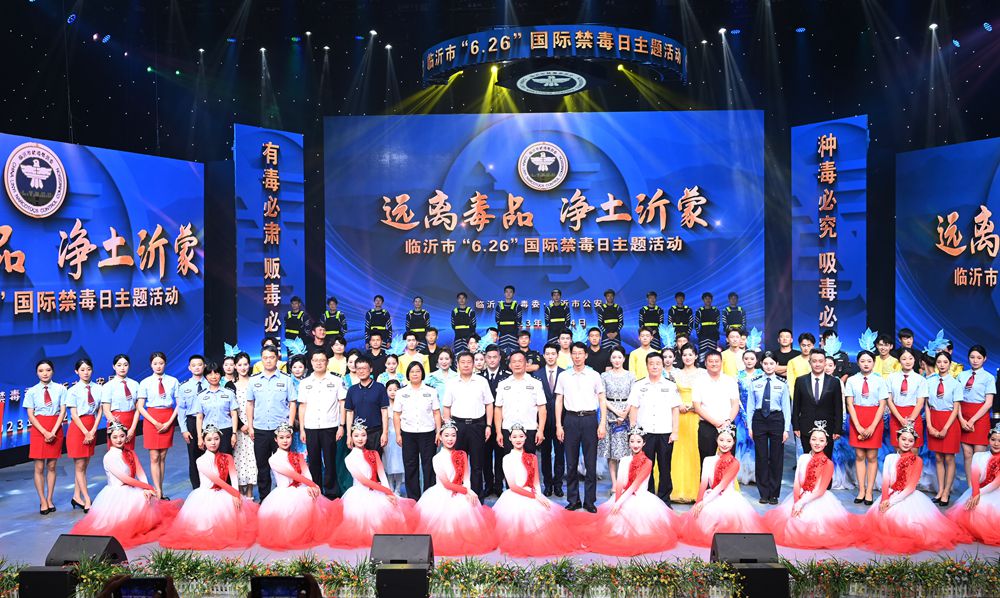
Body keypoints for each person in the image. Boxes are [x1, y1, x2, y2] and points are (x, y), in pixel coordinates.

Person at [862, 424, 972, 554]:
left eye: (910, 440)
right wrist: (884, 499)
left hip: (906, 496)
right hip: (889, 494)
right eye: (903, 439)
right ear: (897, 439)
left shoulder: (917, 460)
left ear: (914, 443)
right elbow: (885, 481)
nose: (906, 443)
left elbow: (910, 487)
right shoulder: (889, 458)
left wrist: (891, 503)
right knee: (879, 521)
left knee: (905, 525)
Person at [70, 422, 181, 547]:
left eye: (122, 436)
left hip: (132, 488)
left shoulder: (130, 452)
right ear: (109, 438)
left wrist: (146, 488)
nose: (119, 440)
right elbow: (125, 479)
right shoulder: (109, 457)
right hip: (117, 492)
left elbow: (140, 472)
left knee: (147, 499)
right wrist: (148, 487)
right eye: (115, 437)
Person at [581, 426, 680, 556]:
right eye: (632, 441)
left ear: (644, 443)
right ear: (628, 442)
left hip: (640, 497)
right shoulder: (624, 460)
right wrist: (617, 501)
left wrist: (619, 502)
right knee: (612, 523)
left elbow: (635, 485)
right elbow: (620, 483)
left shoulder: (648, 462)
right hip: (623, 496)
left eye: (638, 441)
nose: (635, 445)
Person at [159, 424, 259, 550]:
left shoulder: (228, 457)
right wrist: (234, 493)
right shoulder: (200, 461)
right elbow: (216, 480)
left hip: (225, 492)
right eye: (209, 440)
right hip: (206, 495)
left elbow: (234, 478)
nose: (213, 443)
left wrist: (236, 494)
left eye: (216, 439)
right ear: (204, 441)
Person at [764, 423, 861, 549]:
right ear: (809, 441)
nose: (817, 443)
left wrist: (801, 503)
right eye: (814, 439)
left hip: (816, 498)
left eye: (821, 440)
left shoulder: (828, 464)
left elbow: (820, 490)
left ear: (826, 443)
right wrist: (796, 502)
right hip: (799, 496)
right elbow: (797, 483)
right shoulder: (803, 458)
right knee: (789, 523)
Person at [491, 424, 582, 557]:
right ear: (509, 438)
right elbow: (513, 486)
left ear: (526, 437)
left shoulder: (532, 457)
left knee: (546, 514)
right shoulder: (507, 458)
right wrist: (533, 496)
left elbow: (536, 482)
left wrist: (538, 495)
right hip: (515, 495)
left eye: (521, 436)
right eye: (514, 437)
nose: (518, 439)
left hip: (533, 492)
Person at [412, 421, 497, 555]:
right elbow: (446, 484)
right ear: (440, 437)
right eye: (446, 435)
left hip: (461, 491)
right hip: (442, 493)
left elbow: (466, 477)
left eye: (453, 435)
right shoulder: (437, 458)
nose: (450, 439)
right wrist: (466, 491)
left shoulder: (462, 454)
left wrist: (468, 491)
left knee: (468, 512)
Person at [329, 419, 417, 547]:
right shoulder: (349, 459)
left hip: (378, 489)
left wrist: (389, 493)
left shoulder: (374, 453)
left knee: (392, 509)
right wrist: (386, 491)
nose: (360, 439)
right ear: (351, 438)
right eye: (356, 436)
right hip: (359, 493)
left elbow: (382, 474)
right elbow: (364, 481)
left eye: (363, 435)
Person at [681, 423, 766, 547]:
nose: (724, 444)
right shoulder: (708, 460)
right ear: (716, 440)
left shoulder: (734, 463)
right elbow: (703, 482)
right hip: (710, 496)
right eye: (721, 440)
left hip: (727, 498)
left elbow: (721, 486)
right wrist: (698, 501)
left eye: (728, 441)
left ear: (733, 442)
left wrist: (704, 502)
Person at [257, 423, 339, 549]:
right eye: (281, 438)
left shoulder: (298, 456)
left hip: (301, 488)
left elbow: (307, 473)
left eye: (288, 437)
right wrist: (312, 484)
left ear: (292, 438)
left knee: (311, 499)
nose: (285, 440)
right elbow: (291, 474)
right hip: (283, 492)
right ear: (276, 439)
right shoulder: (273, 459)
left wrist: (311, 486)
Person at [555, 342, 608, 513]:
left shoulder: (594, 375)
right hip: (570, 420)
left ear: (586, 355)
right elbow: (559, 401)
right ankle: (573, 500)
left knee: (590, 463)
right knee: (571, 463)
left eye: (580, 353)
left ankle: (590, 501)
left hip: (590, 419)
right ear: (570, 355)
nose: (577, 356)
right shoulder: (564, 376)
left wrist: (602, 423)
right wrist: (558, 425)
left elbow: (602, 399)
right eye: (574, 353)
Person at [626, 352, 680, 505]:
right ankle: (646, 498)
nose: (655, 366)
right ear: (647, 365)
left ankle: (664, 500)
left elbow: (675, 409)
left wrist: (675, 431)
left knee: (665, 467)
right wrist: (634, 431)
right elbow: (633, 408)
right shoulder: (639, 385)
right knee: (645, 467)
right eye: (651, 363)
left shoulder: (670, 385)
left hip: (665, 432)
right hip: (645, 434)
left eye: (658, 363)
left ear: (662, 365)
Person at [246, 345, 298, 501]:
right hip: (260, 429)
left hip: (281, 431)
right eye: (265, 358)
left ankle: (284, 498)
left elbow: (293, 403)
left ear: (277, 358)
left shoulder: (286, 379)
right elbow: (250, 404)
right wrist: (250, 426)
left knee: (283, 466)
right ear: (261, 359)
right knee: (262, 467)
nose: (268, 361)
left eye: (272, 357)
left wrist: (289, 426)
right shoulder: (254, 380)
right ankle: (265, 499)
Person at [442, 352, 494, 499]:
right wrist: (448, 428)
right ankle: (458, 496)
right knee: (458, 464)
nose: (466, 365)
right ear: (457, 364)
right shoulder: (452, 382)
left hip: (477, 426)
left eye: (469, 362)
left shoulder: (482, 381)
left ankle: (477, 498)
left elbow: (489, 404)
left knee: (477, 465)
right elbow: (446, 406)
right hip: (458, 427)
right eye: (462, 362)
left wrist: (488, 425)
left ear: (474, 364)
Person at [297, 351, 347, 499]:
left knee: (330, 461)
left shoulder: (336, 380)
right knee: (313, 461)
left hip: (330, 427)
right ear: (311, 362)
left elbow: (342, 403)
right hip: (311, 427)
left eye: (322, 360)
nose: (319, 363)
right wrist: (302, 429)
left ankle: (331, 493)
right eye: (316, 360)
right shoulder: (305, 383)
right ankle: (316, 491)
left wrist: (341, 426)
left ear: (327, 362)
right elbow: (302, 406)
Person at [747, 351, 791, 505]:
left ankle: (774, 494)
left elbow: (786, 407)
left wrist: (786, 429)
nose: (769, 366)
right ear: (761, 364)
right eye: (765, 363)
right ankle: (764, 493)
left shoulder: (782, 383)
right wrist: (750, 426)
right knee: (761, 457)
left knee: (776, 457)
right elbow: (750, 406)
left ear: (776, 365)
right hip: (759, 419)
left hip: (776, 419)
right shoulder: (755, 382)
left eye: (772, 363)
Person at [845, 350, 888, 505]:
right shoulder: (851, 380)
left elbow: (882, 405)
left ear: (874, 363)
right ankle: (861, 490)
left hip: (874, 418)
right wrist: (857, 425)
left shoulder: (880, 381)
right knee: (859, 455)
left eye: (869, 361)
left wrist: (872, 426)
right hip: (857, 417)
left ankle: (869, 491)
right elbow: (849, 403)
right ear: (858, 363)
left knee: (871, 456)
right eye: (862, 361)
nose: (866, 364)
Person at [393, 362, 441, 500]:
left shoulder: (431, 391)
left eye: (418, 371)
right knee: (410, 466)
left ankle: (429, 498)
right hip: (408, 433)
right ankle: (413, 498)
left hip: (428, 433)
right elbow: (396, 414)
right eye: (412, 371)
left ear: (422, 373)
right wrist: (398, 434)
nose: (415, 374)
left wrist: (438, 432)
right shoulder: (401, 393)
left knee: (428, 466)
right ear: (408, 374)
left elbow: (436, 413)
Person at [136, 352, 180, 499]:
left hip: (168, 416)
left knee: (162, 456)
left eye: (161, 363)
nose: (158, 366)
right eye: (155, 363)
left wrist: (170, 422)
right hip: (151, 419)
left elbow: (179, 404)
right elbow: (140, 406)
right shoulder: (145, 382)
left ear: (165, 364)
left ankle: (160, 489)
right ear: (151, 365)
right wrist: (154, 422)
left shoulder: (173, 381)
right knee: (154, 456)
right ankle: (158, 491)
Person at [25, 359, 67, 515]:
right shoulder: (31, 391)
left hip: (55, 427)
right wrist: (44, 432)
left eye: (48, 370)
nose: (45, 373)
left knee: (52, 466)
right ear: (37, 373)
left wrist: (53, 431)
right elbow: (30, 414)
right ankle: (42, 500)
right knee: (39, 467)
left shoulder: (61, 389)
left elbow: (62, 411)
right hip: (39, 429)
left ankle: (49, 499)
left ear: (53, 371)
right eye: (41, 370)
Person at [947, 423, 1000, 545]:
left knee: (985, 507)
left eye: (999, 441)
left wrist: (979, 494)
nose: (996, 443)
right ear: (988, 440)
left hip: (995, 491)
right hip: (978, 489)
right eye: (993, 440)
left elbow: (996, 483)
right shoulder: (979, 455)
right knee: (970, 506)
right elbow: (974, 476)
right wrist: (975, 493)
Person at [692, 350, 741, 466]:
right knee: (706, 461)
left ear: (721, 362)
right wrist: (715, 423)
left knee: (728, 463)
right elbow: (697, 407)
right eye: (711, 361)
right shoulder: (699, 381)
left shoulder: (730, 381)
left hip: (727, 426)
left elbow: (735, 404)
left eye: (716, 361)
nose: (714, 364)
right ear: (705, 363)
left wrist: (728, 421)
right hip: (707, 426)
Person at [926, 351, 963, 505]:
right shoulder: (929, 382)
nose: (942, 365)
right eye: (939, 362)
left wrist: (946, 428)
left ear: (950, 364)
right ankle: (940, 490)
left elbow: (956, 408)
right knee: (938, 458)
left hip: (950, 421)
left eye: (945, 362)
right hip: (934, 418)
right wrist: (929, 425)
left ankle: (947, 491)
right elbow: (927, 405)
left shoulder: (955, 384)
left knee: (949, 458)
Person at [67, 358, 103, 513]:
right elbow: (74, 415)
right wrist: (86, 432)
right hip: (78, 428)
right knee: (79, 465)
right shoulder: (73, 390)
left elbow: (100, 411)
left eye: (88, 369)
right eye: (82, 370)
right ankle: (87, 499)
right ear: (76, 372)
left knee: (84, 465)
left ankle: (76, 496)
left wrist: (93, 430)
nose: (86, 372)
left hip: (92, 425)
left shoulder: (98, 388)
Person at [958, 345, 996, 489]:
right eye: (972, 357)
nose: (975, 360)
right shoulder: (962, 375)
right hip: (963, 414)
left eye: (979, 358)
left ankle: (979, 488)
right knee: (967, 454)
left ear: (984, 359)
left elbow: (989, 403)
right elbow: (957, 400)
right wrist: (961, 419)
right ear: (968, 358)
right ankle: (970, 488)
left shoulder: (988, 377)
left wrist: (973, 420)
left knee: (978, 456)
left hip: (980, 417)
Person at [792, 351, 843, 458]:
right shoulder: (801, 381)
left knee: (825, 460)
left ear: (825, 363)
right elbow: (796, 406)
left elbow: (838, 407)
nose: (817, 364)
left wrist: (837, 428)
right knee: (808, 459)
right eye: (814, 361)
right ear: (809, 362)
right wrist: (796, 425)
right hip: (806, 427)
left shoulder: (834, 382)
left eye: (820, 361)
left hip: (827, 427)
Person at [495, 351, 547, 454]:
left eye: (520, 361)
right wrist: (498, 432)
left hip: (529, 428)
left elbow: (542, 409)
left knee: (529, 461)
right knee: (509, 461)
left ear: (526, 363)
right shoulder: (503, 384)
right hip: (508, 429)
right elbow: (498, 409)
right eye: (514, 362)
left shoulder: (536, 383)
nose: (517, 364)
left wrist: (540, 431)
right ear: (510, 365)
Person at [670, 344, 704, 503]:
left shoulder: (703, 373)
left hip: (698, 415)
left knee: (697, 449)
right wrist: (679, 404)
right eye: (684, 355)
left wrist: (695, 406)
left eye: (691, 354)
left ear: (696, 356)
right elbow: (672, 393)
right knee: (679, 451)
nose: (688, 357)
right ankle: (677, 488)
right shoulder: (675, 373)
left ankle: (698, 489)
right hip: (680, 416)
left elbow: (707, 393)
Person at [600, 347, 635, 491]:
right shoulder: (604, 376)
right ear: (610, 359)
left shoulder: (631, 375)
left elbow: (633, 397)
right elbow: (602, 397)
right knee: (612, 452)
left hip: (627, 413)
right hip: (610, 413)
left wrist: (624, 413)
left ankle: (624, 481)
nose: (617, 360)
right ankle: (614, 483)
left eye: (619, 357)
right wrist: (616, 411)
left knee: (626, 451)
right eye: (614, 357)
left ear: (624, 359)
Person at [344, 356, 390, 457]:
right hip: (358, 434)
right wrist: (349, 435)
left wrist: (385, 433)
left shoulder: (380, 388)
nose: (361, 371)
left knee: (375, 462)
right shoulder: (352, 390)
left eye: (364, 368)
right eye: (358, 368)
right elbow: (349, 413)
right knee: (359, 463)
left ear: (371, 369)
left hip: (375, 432)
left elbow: (384, 412)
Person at [536, 344, 565, 498]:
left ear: (557, 355)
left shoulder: (564, 374)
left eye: (553, 353)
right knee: (545, 455)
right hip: (543, 421)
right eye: (547, 354)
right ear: (544, 355)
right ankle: (547, 485)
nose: (550, 356)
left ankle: (558, 485)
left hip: (561, 420)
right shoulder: (537, 374)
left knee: (560, 454)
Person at [481, 345, 511, 497]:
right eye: (489, 357)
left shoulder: (507, 376)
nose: (492, 360)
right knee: (485, 456)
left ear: (499, 358)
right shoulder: (479, 377)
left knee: (501, 455)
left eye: (495, 357)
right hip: (483, 423)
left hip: (502, 422)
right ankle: (488, 484)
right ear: (485, 359)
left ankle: (499, 485)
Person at [195, 362, 239, 455]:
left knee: (225, 459)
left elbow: (234, 415)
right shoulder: (201, 395)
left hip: (225, 431)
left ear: (220, 375)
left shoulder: (229, 393)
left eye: (216, 373)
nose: (213, 376)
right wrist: (199, 437)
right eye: (210, 374)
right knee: (210, 461)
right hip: (208, 432)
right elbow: (199, 418)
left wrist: (234, 434)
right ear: (206, 376)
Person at [887, 348, 927, 448]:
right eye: (904, 359)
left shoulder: (920, 379)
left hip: (914, 415)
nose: (908, 361)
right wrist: (900, 419)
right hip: (896, 415)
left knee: (913, 450)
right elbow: (889, 400)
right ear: (899, 361)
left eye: (910, 358)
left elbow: (920, 402)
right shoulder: (891, 377)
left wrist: (911, 420)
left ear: (915, 360)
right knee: (898, 450)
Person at [177, 355, 207, 489]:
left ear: (204, 366)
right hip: (192, 422)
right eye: (193, 365)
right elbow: (181, 410)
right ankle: (197, 488)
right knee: (194, 455)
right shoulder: (184, 386)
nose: (197, 367)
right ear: (189, 368)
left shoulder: (211, 382)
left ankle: (211, 485)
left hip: (208, 421)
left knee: (210, 454)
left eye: (199, 364)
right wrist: (184, 429)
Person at [231, 353, 257, 499]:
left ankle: (250, 492)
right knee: (239, 460)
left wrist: (251, 425)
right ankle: (240, 491)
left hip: (253, 427)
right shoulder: (230, 386)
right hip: (238, 429)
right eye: (239, 365)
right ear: (235, 366)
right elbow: (230, 409)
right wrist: (241, 425)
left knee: (253, 459)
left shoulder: (255, 383)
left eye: (245, 364)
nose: (243, 367)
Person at [102, 354, 140, 451]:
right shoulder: (108, 386)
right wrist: (117, 428)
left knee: (129, 452)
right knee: (116, 453)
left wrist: (132, 429)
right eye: (119, 365)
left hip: (131, 420)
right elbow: (106, 410)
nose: (122, 368)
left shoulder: (135, 384)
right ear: (113, 366)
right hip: (115, 421)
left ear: (129, 366)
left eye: (125, 365)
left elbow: (138, 409)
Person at [735, 348, 762, 485]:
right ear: (743, 360)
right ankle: (741, 474)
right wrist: (744, 415)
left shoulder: (761, 374)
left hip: (758, 415)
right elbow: (736, 397)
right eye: (746, 359)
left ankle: (755, 474)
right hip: (741, 415)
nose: (749, 361)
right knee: (742, 442)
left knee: (756, 443)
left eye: (752, 358)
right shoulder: (738, 376)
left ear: (756, 360)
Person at [383, 380, 405, 493]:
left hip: (400, 435)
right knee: (388, 462)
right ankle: (390, 486)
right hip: (388, 436)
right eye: (390, 390)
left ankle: (398, 488)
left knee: (399, 462)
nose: (393, 392)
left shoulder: (403, 404)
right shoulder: (384, 406)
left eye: (395, 390)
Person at [785, 333, 815, 400]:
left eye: (809, 345)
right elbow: (791, 383)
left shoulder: (818, 361)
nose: (806, 348)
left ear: (813, 346)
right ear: (799, 345)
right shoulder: (792, 362)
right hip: (799, 396)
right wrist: (795, 399)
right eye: (803, 345)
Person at [495, 285, 523, 356]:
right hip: (502, 335)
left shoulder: (517, 306)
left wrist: (514, 329)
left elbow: (519, 321)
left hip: (513, 335)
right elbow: (497, 320)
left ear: (513, 294)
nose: (508, 293)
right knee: (501, 354)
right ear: (504, 293)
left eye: (510, 292)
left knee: (515, 354)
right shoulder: (499, 306)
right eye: (506, 292)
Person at [694, 292, 721, 359]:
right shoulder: (699, 311)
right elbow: (696, 324)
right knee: (702, 355)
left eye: (709, 298)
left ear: (711, 300)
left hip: (713, 335)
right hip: (703, 335)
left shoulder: (716, 310)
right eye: (706, 298)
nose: (708, 300)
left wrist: (716, 333)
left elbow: (718, 324)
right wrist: (699, 334)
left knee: (714, 353)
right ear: (703, 300)